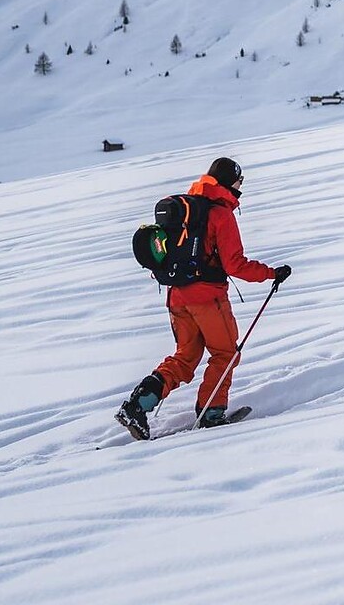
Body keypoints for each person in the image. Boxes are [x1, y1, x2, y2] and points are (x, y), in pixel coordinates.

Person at [117, 157, 287, 436]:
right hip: (207, 298)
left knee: (185, 357)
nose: (241, 185)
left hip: (177, 296)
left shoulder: (189, 208)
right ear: (229, 181)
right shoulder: (220, 213)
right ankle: (212, 413)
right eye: (239, 180)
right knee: (225, 353)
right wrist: (271, 274)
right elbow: (235, 265)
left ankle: (138, 405)